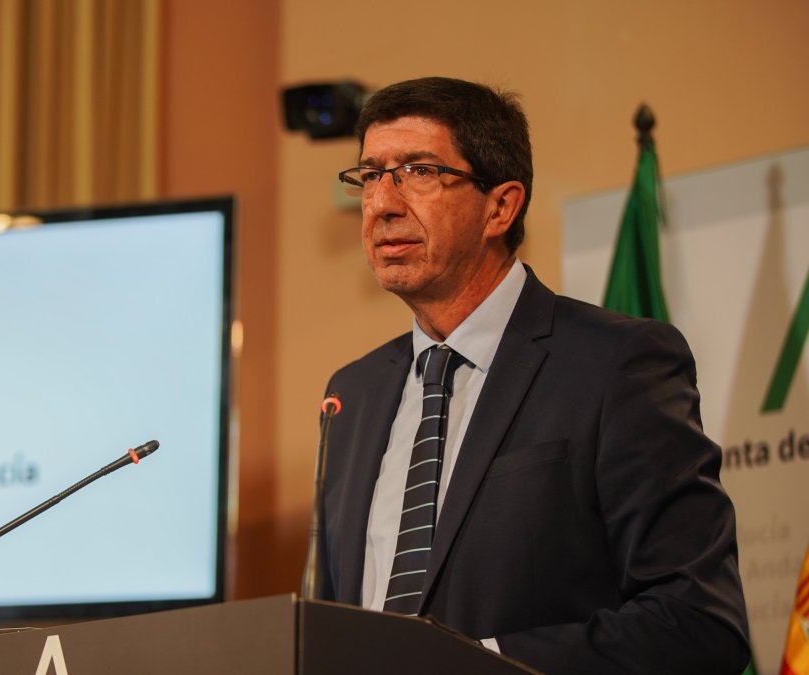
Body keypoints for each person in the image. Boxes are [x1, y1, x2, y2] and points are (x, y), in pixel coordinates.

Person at [318, 76, 750, 674]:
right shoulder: (352, 394)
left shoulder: (617, 364)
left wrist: (473, 665)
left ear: (501, 205)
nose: (383, 204)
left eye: (418, 171)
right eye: (370, 175)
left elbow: (698, 623)